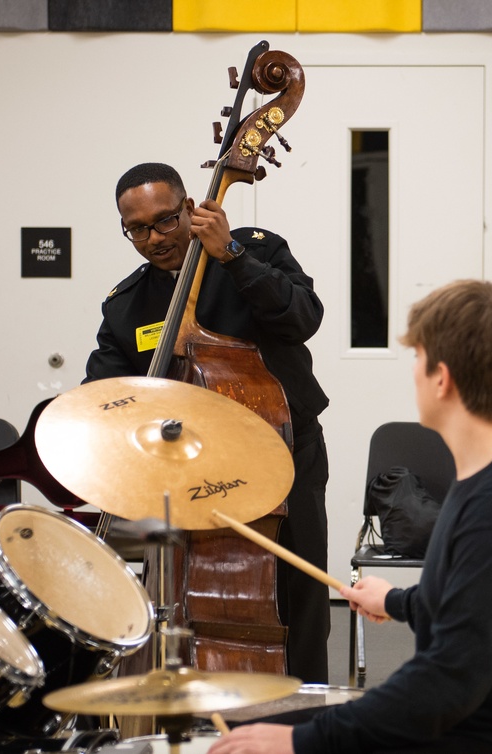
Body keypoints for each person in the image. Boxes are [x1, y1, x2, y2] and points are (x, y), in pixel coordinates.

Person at [211, 280, 492, 754]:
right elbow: (479, 603)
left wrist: (303, 742)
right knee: (269, 717)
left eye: (416, 358)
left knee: (278, 733)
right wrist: (397, 601)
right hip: (485, 717)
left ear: (442, 379)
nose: (413, 372)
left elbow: (444, 684)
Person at [84, 162, 331, 683]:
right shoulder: (126, 306)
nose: (155, 238)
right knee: (197, 608)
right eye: (138, 229)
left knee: (299, 601)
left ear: (191, 208)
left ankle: (307, 723)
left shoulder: (254, 250)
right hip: (194, 480)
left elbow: (303, 318)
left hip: (286, 456)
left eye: (166, 220)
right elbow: (102, 397)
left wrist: (232, 257)